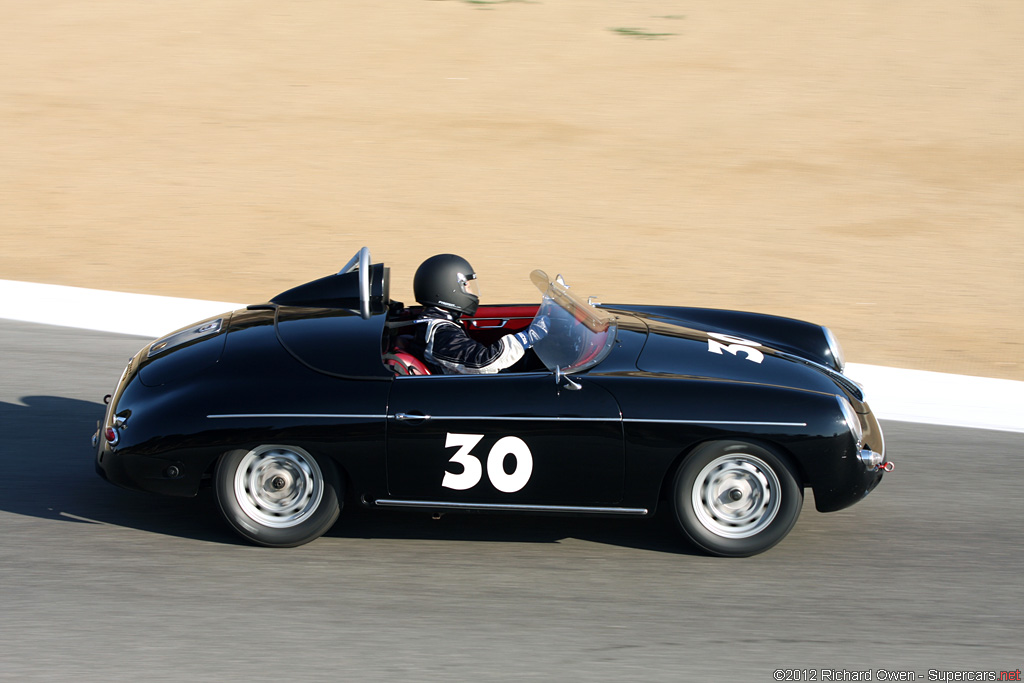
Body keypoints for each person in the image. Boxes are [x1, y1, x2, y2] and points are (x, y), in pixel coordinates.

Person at [409, 254, 548, 375]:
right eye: (467, 286)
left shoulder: (440, 322)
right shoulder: (440, 333)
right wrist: (526, 337)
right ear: (447, 288)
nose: (471, 292)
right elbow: (483, 363)